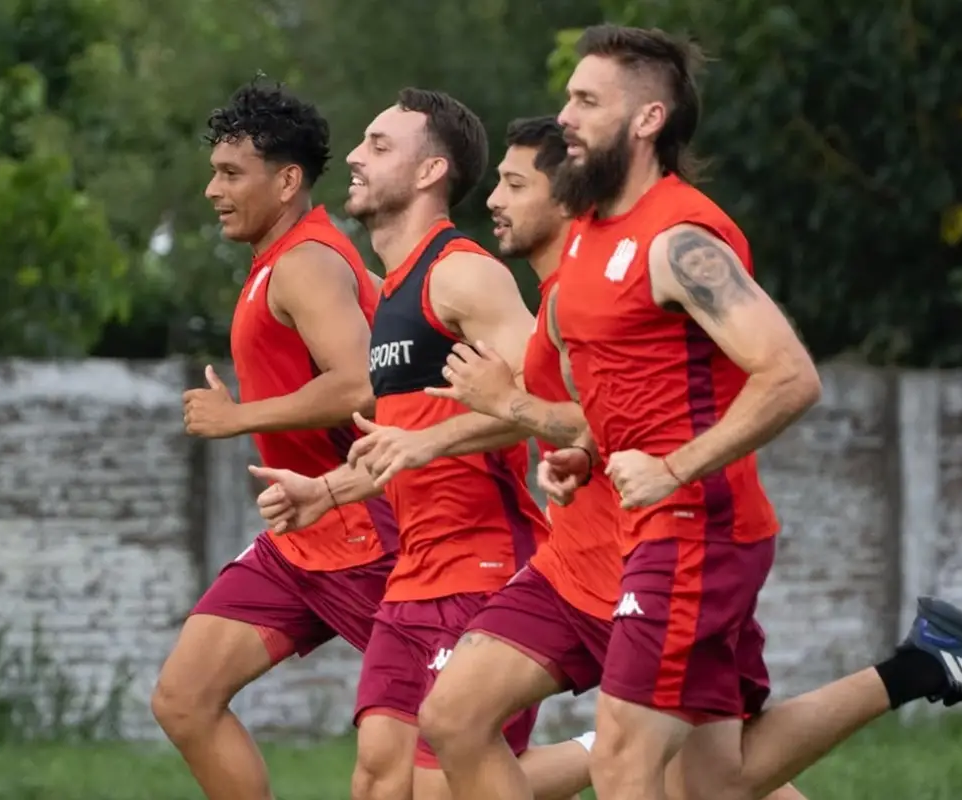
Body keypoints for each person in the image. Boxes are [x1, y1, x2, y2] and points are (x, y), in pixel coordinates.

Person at [538, 24, 962, 800]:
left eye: (585, 100)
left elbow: (788, 376)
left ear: (647, 120)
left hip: (692, 531)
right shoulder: (587, 235)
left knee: (621, 762)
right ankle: (921, 663)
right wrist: (591, 450)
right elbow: (646, 392)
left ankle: (923, 662)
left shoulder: (679, 240)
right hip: (668, 527)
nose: (564, 117)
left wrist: (672, 468)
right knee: (714, 783)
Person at [414, 117, 807, 800]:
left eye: (513, 184)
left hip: (645, 559)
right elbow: (601, 428)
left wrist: (513, 407)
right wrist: (565, 454)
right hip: (575, 564)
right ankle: (918, 668)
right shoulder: (566, 291)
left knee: (703, 779)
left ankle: (916, 670)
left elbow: (609, 421)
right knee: (453, 719)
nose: (493, 201)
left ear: (564, 195)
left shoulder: (606, 283)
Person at [250, 89, 591, 800]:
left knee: (441, 787)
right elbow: (405, 444)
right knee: (377, 777)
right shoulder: (394, 291)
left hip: (484, 562)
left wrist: (431, 442)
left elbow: (558, 402)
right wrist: (329, 490)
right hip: (414, 574)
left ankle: (608, 750)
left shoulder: (461, 274)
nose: (353, 156)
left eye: (379, 145)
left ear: (432, 170)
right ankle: (615, 750)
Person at [150, 79, 399, 800]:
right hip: (300, 540)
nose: (212, 190)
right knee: (185, 699)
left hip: (362, 538)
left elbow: (359, 384)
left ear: (287, 180)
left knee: (445, 764)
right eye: (215, 171)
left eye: (232, 174)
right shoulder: (281, 260)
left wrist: (239, 419)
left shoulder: (307, 263)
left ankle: (622, 754)